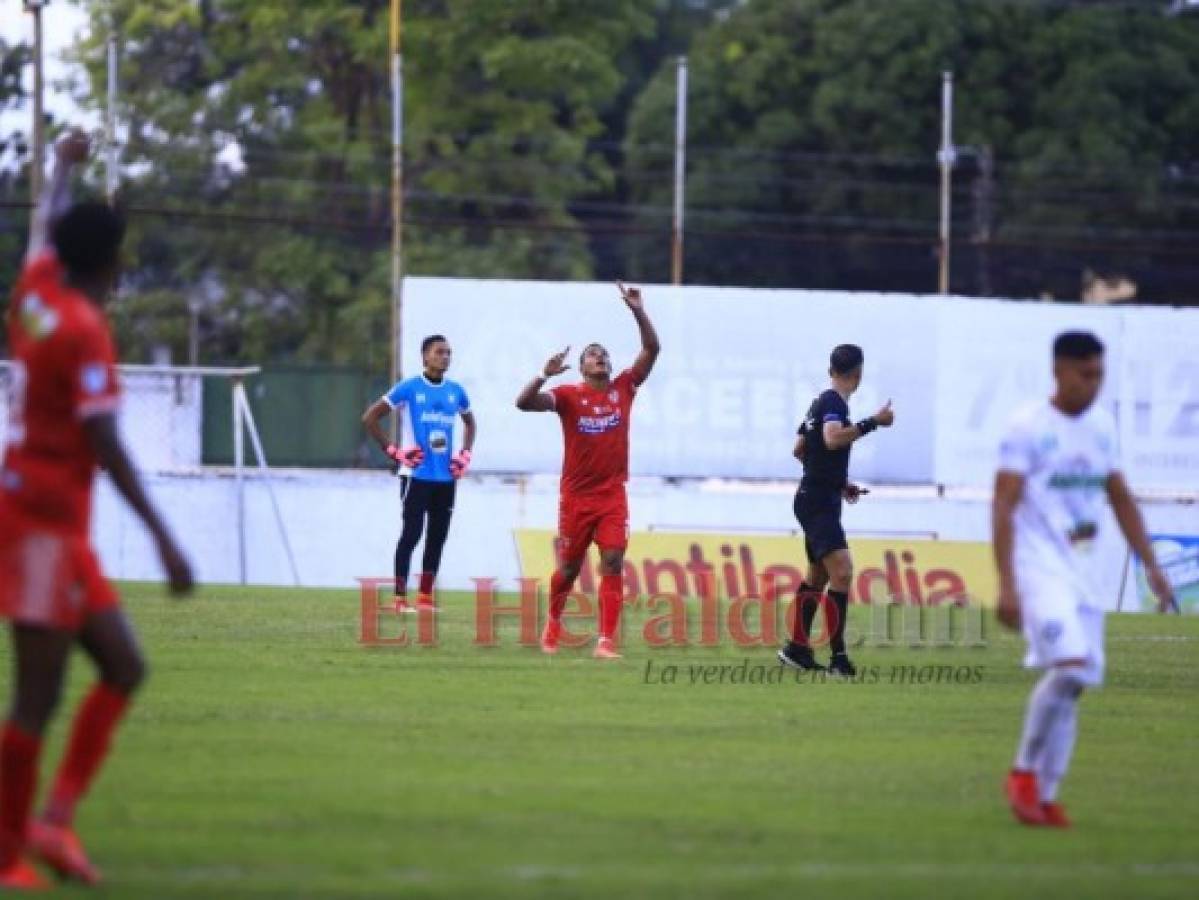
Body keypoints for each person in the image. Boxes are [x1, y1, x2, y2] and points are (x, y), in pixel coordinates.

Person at [0, 131, 193, 889]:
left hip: (49, 522)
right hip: (42, 523)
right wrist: (164, 538)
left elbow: (42, 227)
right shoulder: (82, 331)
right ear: (108, 265)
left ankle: (51, 822)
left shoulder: (38, 292)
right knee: (38, 693)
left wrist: (61, 167)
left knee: (123, 666)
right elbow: (105, 439)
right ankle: (10, 852)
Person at [994, 330, 1176, 828]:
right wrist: (1007, 582)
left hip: (1082, 575)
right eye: (1085, 374)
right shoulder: (1027, 427)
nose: (1094, 384)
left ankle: (1047, 797)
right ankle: (1023, 774)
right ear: (1059, 371)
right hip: (1038, 572)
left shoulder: (1101, 427)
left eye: (1100, 374)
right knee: (1071, 667)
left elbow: (1119, 497)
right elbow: (1003, 503)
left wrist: (1151, 565)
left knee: (1075, 685)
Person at [515, 282, 660, 659]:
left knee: (613, 560)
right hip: (576, 498)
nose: (600, 358)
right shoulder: (568, 395)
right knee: (568, 567)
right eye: (592, 355)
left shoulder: (625, 387)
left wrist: (637, 310)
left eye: (604, 354)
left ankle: (606, 642)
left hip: (612, 495)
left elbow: (652, 349)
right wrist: (542, 374)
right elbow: (523, 403)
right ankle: (552, 625)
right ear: (581, 367)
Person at [776, 344, 893, 677]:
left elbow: (800, 448)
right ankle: (839, 659)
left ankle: (797, 649)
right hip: (817, 502)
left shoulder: (819, 402)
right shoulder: (832, 403)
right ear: (858, 373)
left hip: (816, 496)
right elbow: (830, 440)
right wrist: (875, 422)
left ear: (832, 369)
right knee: (842, 572)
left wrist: (836, 482)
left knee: (819, 575)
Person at [363, 335, 476, 613]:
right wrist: (394, 451)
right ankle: (399, 598)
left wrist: (464, 455)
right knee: (412, 534)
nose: (445, 357)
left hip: (445, 479)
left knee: (437, 537)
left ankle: (425, 598)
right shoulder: (410, 388)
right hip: (416, 476)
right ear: (425, 356)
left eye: (449, 352)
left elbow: (471, 423)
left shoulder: (456, 391)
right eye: (439, 352)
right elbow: (370, 417)